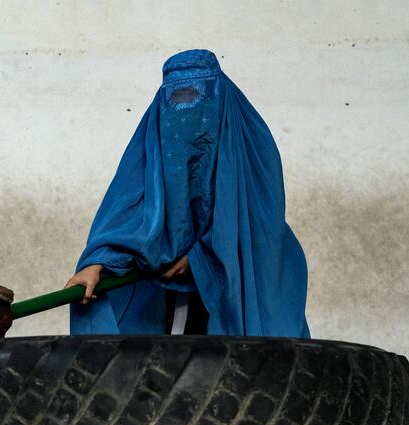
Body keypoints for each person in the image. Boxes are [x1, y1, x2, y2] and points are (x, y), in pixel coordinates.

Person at [64, 49, 310, 338]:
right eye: (176, 99)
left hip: (240, 293)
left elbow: (262, 228)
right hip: (161, 300)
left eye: (196, 97)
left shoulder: (252, 146)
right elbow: (127, 212)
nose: (185, 111)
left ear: (218, 98)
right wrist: (97, 263)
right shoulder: (150, 147)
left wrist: (203, 257)